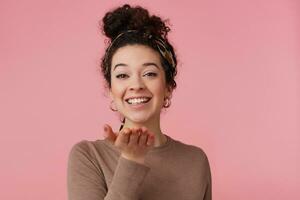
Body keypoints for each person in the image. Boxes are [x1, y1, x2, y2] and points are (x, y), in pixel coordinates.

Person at [67, 4, 212, 200]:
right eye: (122, 75)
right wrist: (131, 159)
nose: (136, 84)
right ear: (111, 91)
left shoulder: (196, 161)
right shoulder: (89, 156)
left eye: (149, 73)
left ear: (168, 87)